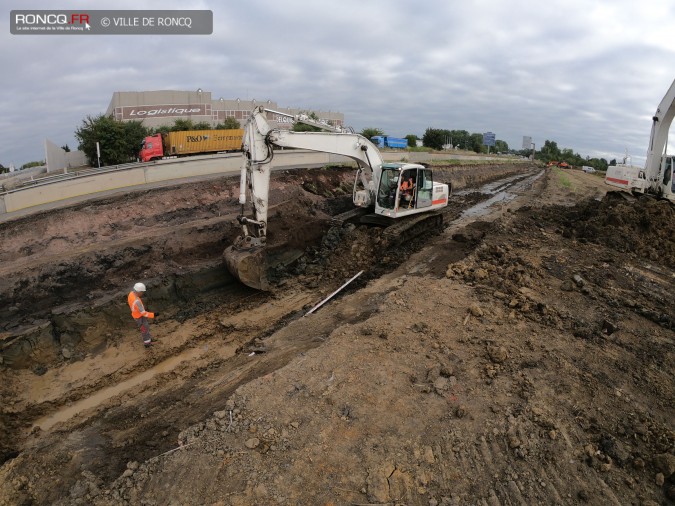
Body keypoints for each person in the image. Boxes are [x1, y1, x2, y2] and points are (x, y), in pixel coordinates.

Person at [127, 282, 159, 348]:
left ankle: (149, 339)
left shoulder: (131, 294)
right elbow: (144, 313)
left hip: (136, 314)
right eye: (142, 292)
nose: (143, 293)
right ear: (139, 291)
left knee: (146, 326)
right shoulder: (137, 301)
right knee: (144, 329)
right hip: (139, 317)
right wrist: (154, 314)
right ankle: (147, 344)